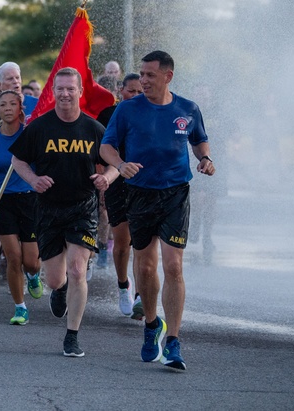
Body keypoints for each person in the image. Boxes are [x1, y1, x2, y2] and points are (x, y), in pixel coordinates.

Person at [100, 50, 215, 371]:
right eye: (142, 74)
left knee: (174, 266)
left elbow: (199, 141)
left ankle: (174, 342)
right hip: (140, 194)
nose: (144, 80)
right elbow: (105, 147)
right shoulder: (127, 110)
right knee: (147, 268)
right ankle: (152, 324)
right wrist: (120, 164)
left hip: (176, 193)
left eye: (150, 75)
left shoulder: (188, 109)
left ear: (168, 76)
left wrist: (205, 159)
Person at [10, 67, 114, 358]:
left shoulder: (94, 129)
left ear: (80, 92)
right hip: (48, 209)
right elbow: (18, 160)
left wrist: (107, 178)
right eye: (61, 89)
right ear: (53, 91)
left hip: (82, 207)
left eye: (71, 89)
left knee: (78, 269)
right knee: (56, 279)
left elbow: (116, 162)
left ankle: (72, 335)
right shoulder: (40, 128)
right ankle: (59, 289)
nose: (66, 93)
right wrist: (33, 180)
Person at [0, 90, 42, 326]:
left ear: (20, 108)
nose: (7, 108)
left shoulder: (31, 133)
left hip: (31, 200)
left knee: (31, 261)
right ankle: (20, 307)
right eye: (2, 104)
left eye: (12, 104)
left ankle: (34, 276)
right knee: (13, 257)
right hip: (3, 201)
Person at [97, 73, 144, 319]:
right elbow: (101, 151)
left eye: (139, 92)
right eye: (130, 91)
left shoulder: (151, 112)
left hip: (146, 184)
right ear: (120, 91)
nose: (135, 96)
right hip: (116, 182)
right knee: (122, 242)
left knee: (143, 242)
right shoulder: (109, 115)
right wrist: (102, 183)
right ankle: (123, 284)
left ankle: (141, 294)